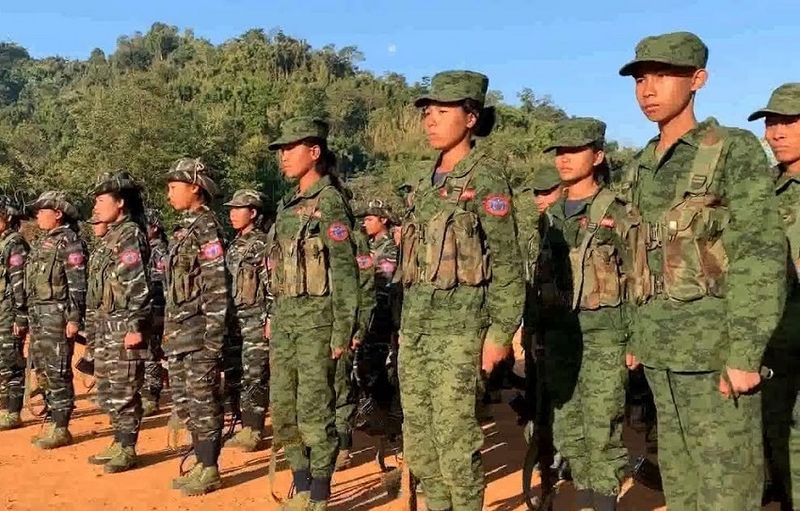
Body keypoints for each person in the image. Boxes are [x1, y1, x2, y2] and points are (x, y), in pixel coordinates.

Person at [619, 31, 786, 509]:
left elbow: (760, 254)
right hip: (660, 356)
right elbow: (635, 259)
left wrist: (745, 354)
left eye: (663, 76)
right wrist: (634, 338)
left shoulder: (731, 149)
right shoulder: (640, 165)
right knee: (682, 486)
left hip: (716, 355)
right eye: (640, 79)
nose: (648, 90)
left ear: (698, 80)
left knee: (727, 489)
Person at [399, 70, 525, 511]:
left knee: (456, 442)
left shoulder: (486, 177)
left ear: (471, 118)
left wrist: (500, 334)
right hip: (416, 330)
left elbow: (508, 262)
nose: (431, 120)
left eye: (442, 111)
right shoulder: (423, 181)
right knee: (420, 443)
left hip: (461, 332)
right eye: (427, 113)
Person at [536, 118, 634, 510]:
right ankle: (585, 500)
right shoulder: (550, 216)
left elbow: (639, 276)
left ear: (597, 156)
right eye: (559, 152)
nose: (564, 159)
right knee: (569, 430)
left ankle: (603, 502)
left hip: (605, 335)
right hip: (560, 336)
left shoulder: (616, 211)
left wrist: (636, 338)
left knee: (602, 428)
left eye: (574, 151)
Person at [267, 116, 359, 511]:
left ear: (315, 152)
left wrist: (343, 331)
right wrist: (272, 316)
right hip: (286, 323)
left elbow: (346, 272)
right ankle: (301, 485)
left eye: (291, 148)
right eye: (282, 150)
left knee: (315, 410)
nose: (284, 156)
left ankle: (319, 495)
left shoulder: (330, 202)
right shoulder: (287, 206)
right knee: (284, 409)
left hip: (318, 325)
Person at [164, 158, 229, 496]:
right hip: (179, 334)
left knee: (204, 402)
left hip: (200, 334)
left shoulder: (206, 228)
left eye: (174, 187)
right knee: (186, 402)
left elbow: (217, 286)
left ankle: (210, 467)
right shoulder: (183, 230)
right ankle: (202, 463)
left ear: (195, 188)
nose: (169, 194)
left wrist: (214, 340)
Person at [749, 82, 800, 510]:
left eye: (788, 122)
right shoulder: (761, 189)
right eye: (771, 123)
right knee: (775, 432)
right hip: (772, 340)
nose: (775, 133)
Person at [85, 171, 152, 473]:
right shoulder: (109, 238)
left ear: (120, 203)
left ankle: (127, 447)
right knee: (109, 388)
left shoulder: (129, 235)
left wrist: (135, 325)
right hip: (105, 324)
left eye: (101, 200)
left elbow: (137, 284)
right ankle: (117, 439)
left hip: (123, 325)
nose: (96, 207)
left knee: (125, 388)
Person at [25, 191, 88, 449]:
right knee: (43, 369)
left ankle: (61, 427)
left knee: (58, 370)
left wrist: (74, 318)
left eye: (43, 210)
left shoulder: (69, 242)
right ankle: (52, 420)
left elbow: (77, 283)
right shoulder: (44, 242)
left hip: (57, 316)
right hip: (39, 316)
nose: (38, 216)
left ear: (58, 214)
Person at [222, 189, 272, 452]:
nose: (232, 214)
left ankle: (253, 429)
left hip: (256, 319)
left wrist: (270, 318)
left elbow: (271, 284)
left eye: (238, 209)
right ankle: (242, 423)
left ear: (252, 213)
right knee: (236, 372)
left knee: (255, 374)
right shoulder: (234, 244)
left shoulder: (262, 244)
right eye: (230, 209)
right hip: (234, 321)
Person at [0, 195, 29, 431]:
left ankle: (13, 411)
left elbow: (19, 282)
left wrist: (20, 314)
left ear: (8, 217)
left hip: (9, 310)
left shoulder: (15, 243)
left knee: (12, 361)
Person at [141, 208, 167, 417]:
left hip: (157, 306)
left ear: (155, 228)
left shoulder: (160, 252)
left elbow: (163, 282)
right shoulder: (142, 248)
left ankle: (152, 396)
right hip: (144, 307)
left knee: (151, 352)